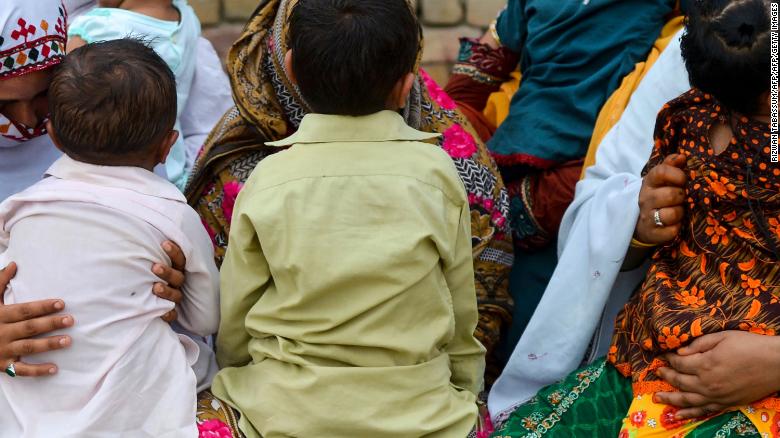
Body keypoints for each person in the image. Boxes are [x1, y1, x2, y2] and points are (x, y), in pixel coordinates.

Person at [185, 0, 514, 384]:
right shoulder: (446, 167)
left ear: (287, 61)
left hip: (280, 402)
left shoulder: (258, 178)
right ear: (406, 80)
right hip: (424, 401)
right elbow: (469, 315)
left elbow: (231, 328)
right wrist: (461, 395)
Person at [490, 0, 779, 436]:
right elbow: (606, 194)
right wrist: (640, 221)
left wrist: (773, 363)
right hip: (651, 357)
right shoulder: (719, 46)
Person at [0, 0, 229, 382]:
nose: (27, 120)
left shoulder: (102, 68)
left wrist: (172, 274)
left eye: (42, 96)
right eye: (4, 103)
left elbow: (210, 140)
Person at [443, 0, 678, 364]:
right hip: (551, 169)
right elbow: (478, 72)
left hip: (582, 173)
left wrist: (455, 130)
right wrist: (456, 127)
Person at [67, 0, 201, 190]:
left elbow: (66, 100)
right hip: (169, 168)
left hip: (102, 175)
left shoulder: (96, 27)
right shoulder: (187, 18)